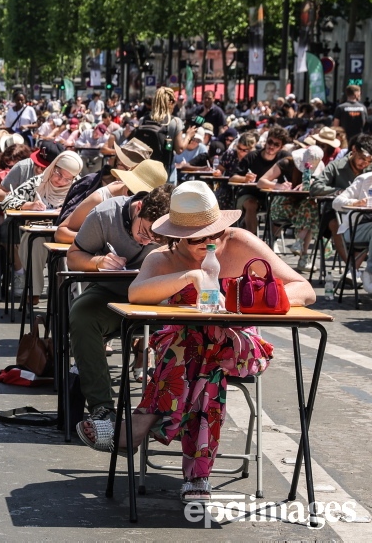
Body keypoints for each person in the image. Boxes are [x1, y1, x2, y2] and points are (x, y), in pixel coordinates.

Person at [78, 181, 315, 503]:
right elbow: (136, 294)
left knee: (201, 342)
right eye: (197, 239)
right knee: (203, 360)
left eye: (214, 234)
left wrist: (247, 300)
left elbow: (305, 290)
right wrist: (189, 278)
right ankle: (197, 476)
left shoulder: (241, 243)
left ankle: (140, 422)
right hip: (193, 355)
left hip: (239, 346)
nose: (209, 243)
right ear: (176, 236)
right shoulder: (162, 258)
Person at [67, 184, 172, 417]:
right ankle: (101, 407)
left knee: (193, 325)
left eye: (157, 239)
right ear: (139, 207)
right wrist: (98, 262)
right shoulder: (104, 215)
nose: (146, 242)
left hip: (158, 294)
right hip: (111, 293)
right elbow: (73, 257)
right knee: (82, 315)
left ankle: (173, 408)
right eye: (144, 233)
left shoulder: (174, 226)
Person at [1, 150, 83, 299]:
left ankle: (66, 295)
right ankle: (34, 291)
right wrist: (29, 205)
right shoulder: (37, 182)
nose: (60, 181)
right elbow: (6, 202)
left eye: (67, 179)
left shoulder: (79, 188)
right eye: (58, 174)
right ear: (52, 167)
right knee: (34, 242)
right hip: (38, 232)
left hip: (66, 236)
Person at [309, 133, 372, 269]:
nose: (365, 163)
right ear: (353, 151)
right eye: (362, 159)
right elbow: (315, 188)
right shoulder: (336, 166)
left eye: (369, 161)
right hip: (337, 212)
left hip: (366, 215)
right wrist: (339, 192)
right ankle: (352, 268)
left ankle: (356, 271)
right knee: (336, 223)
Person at [257, 145, 325, 270]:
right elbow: (261, 182)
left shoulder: (319, 166)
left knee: (311, 207)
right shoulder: (287, 163)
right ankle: (303, 255)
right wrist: (279, 186)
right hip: (283, 203)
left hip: (302, 206)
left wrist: (311, 183)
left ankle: (300, 244)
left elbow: (322, 185)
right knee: (311, 210)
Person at [230, 125, 291, 233]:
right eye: (270, 142)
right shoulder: (252, 156)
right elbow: (232, 178)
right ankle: (251, 241)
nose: (271, 146)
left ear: (281, 147)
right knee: (251, 203)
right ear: (265, 141)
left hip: (273, 197)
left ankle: (273, 240)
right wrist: (245, 178)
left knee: (284, 205)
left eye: (276, 144)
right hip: (249, 194)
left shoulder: (285, 158)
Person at [333, 158, 372, 294]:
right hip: (354, 229)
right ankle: (370, 272)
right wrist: (356, 203)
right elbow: (337, 202)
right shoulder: (364, 180)